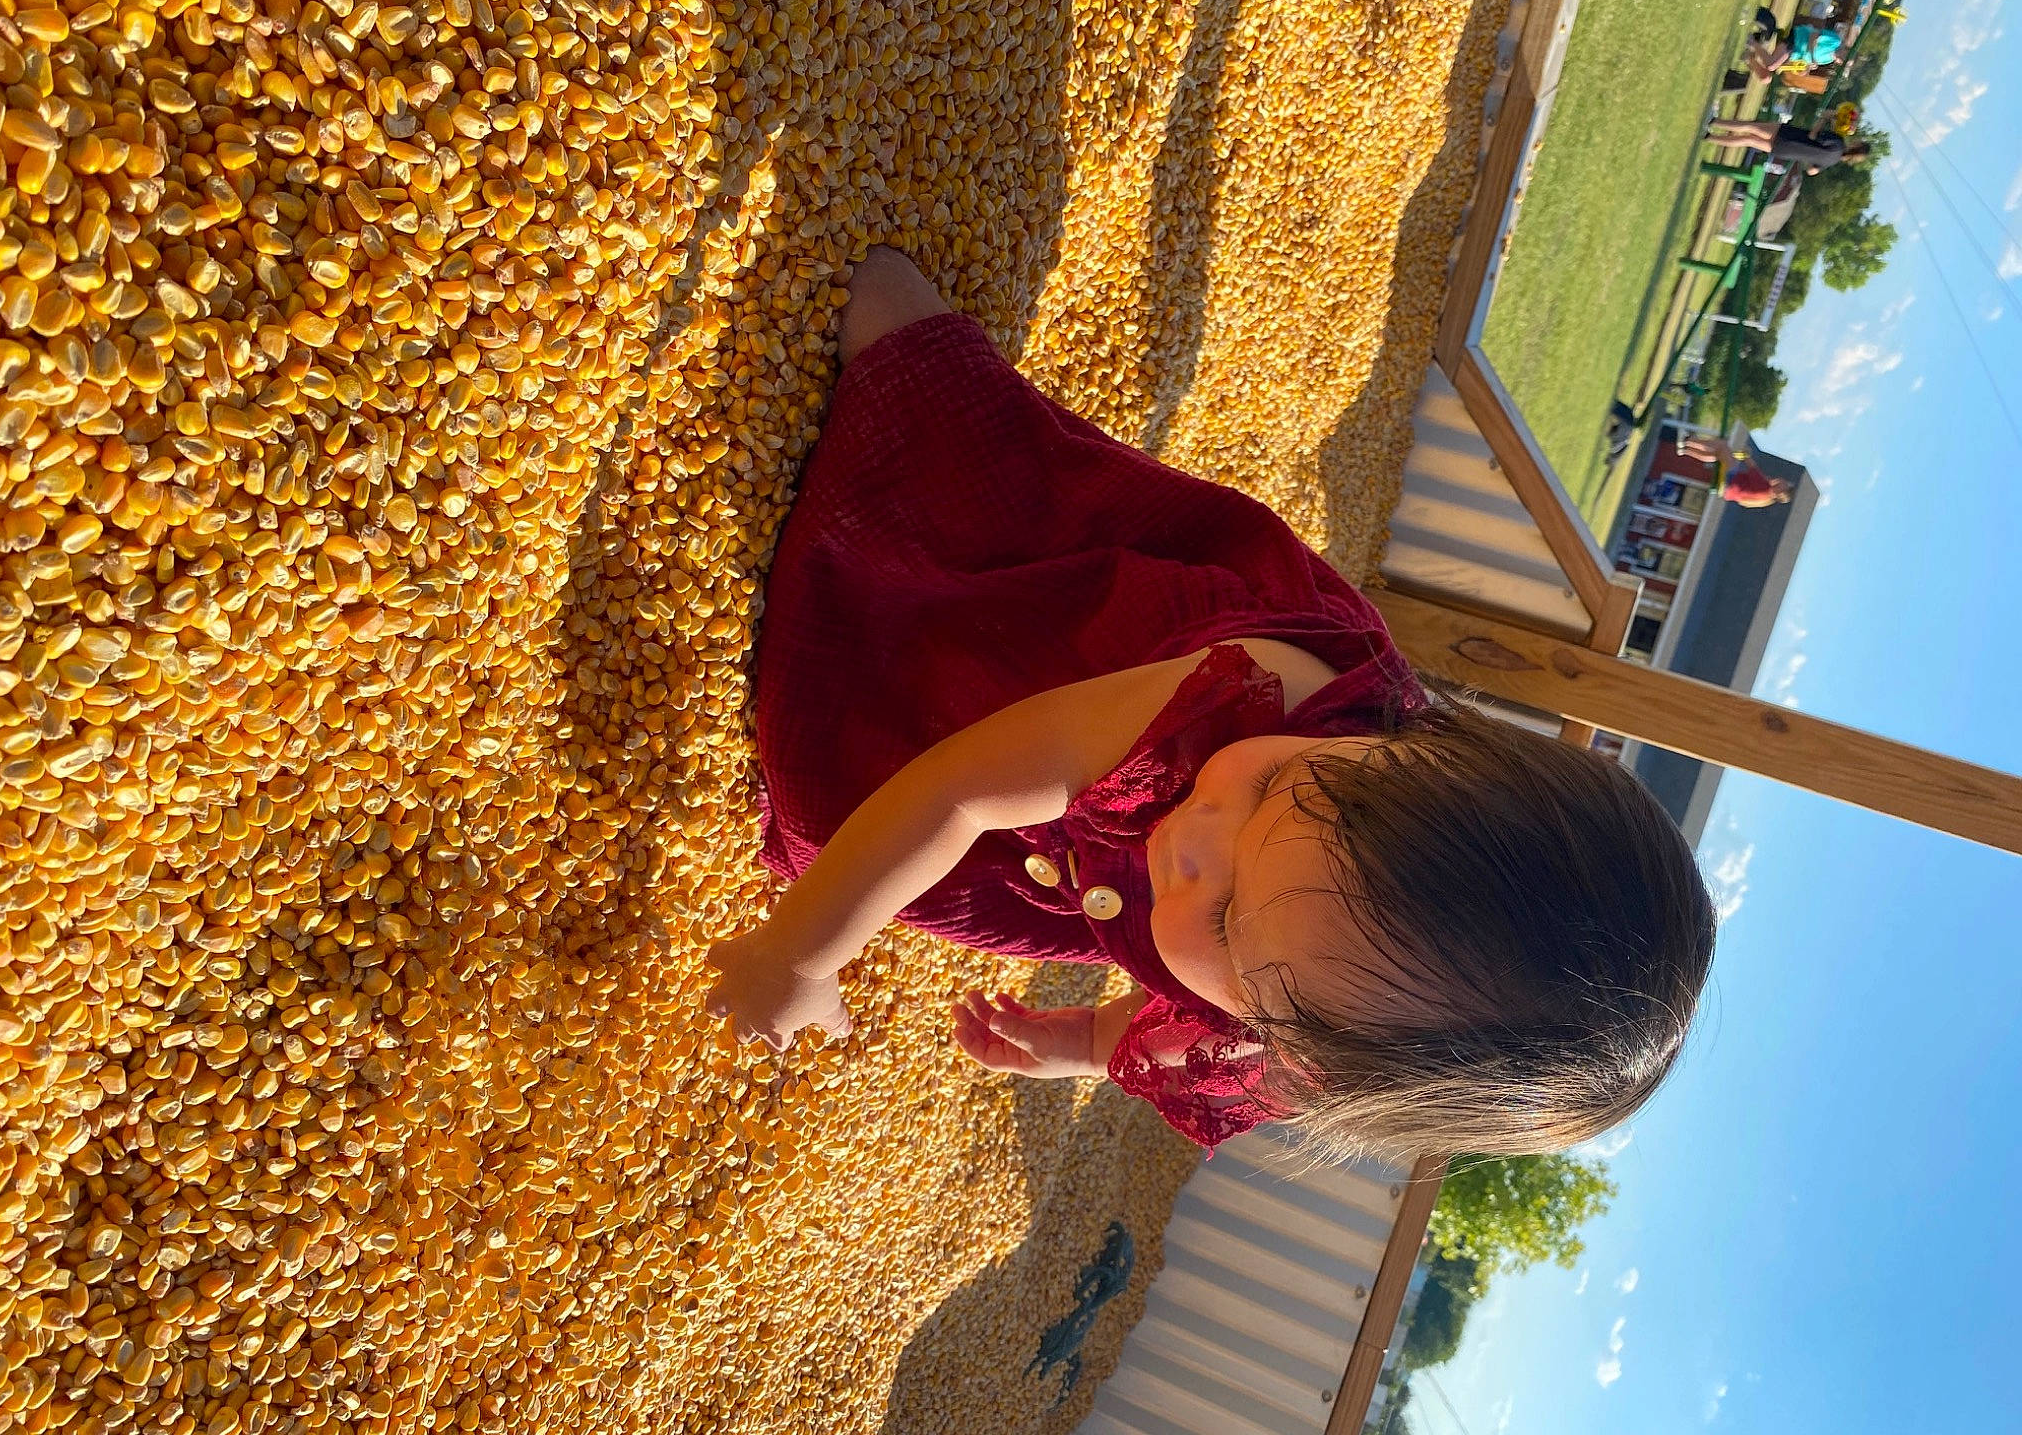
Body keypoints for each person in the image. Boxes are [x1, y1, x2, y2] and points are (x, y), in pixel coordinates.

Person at [704, 247, 1717, 1160]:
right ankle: (913, 360)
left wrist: (1079, 1042)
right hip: (1087, 671)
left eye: (1228, 925)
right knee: (955, 522)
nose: (1195, 845)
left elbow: (1176, 1035)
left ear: (1301, 1058)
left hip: (1079, 862)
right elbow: (962, 785)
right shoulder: (1260, 696)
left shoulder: (1296, 1040)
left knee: (833, 828)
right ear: (1409, 748)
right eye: (1273, 789)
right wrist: (801, 954)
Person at [1703, 116, 1869, 175]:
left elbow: (1813, 135)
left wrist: (1823, 119)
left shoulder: (1838, 142)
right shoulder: (1833, 161)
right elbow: (1811, 171)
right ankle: (1709, 137)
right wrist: (1807, 155)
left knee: (1751, 128)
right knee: (1749, 140)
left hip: (1790, 135)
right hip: (1786, 152)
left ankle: (1714, 121)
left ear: (1856, 144)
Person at [1679, 433, 1794, 507]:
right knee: (1718, 454)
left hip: (1731, 481)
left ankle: (1688, 440)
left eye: (1785, 483)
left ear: (1782, 490)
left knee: (1722, 446)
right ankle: (1685, 449)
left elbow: (1752, 468)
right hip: (1728, 491)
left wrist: (1746, 454)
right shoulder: (1765, 500)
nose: (1783, 480)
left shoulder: (1765, 487)